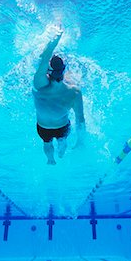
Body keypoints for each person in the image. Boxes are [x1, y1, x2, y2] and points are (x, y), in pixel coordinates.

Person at [33, 29, 85, 165]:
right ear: (64, 70)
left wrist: (55, 39)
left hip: (43, 127)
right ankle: (61, 154)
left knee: (46, 143)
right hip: (62, 127)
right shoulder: (74, 92)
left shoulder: (39, 84)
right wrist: (80, 141)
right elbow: (80, 120)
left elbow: (44, 59)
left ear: (48, 71)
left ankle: (50, 160)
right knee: (62, 141)